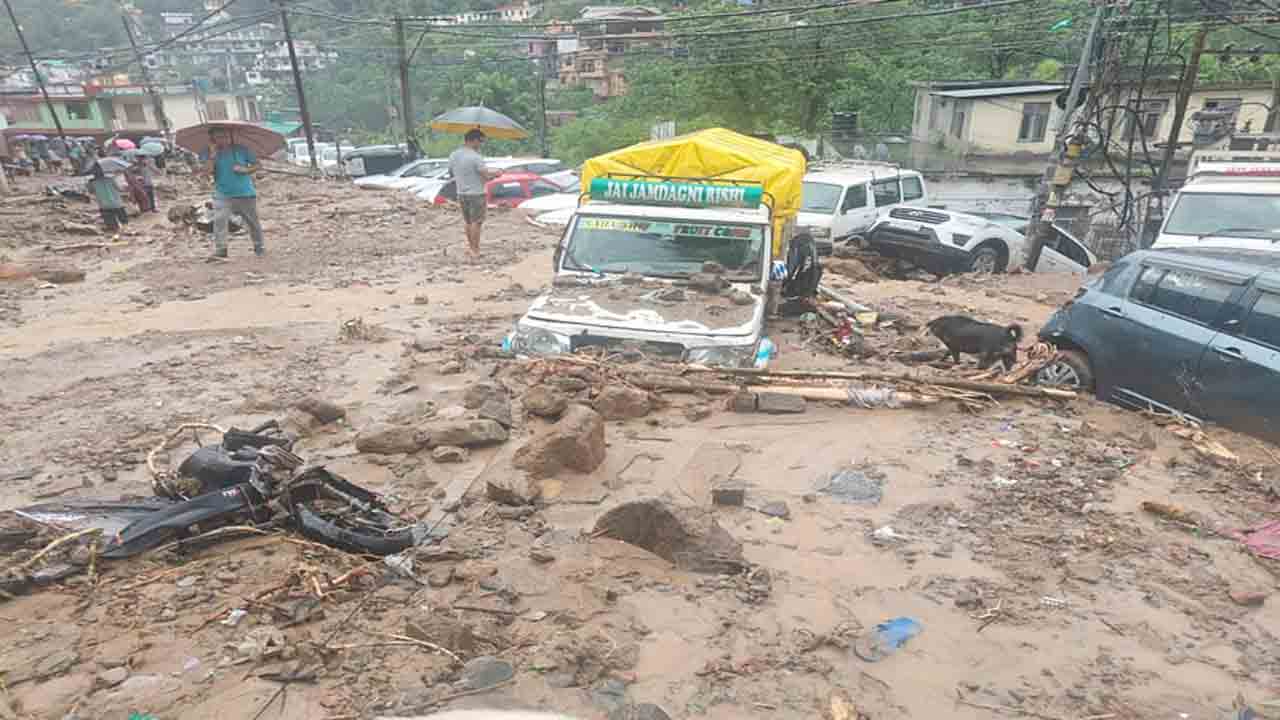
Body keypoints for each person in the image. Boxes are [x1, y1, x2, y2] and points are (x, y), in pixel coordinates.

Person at [206, 127, 264, 258]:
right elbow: (207, 172)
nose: (223, 139)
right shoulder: (208, 152)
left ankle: (258, 245)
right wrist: (212, 156)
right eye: (219, 137)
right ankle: (221, 249)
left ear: (231, 136)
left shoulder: (241, 150)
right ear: (212, 138)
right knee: (219, 220)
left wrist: (245, 170)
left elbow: (258, 165)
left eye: (226, 136)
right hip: (222, 193)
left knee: (252, 222)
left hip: (245, 192)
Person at [447, 129, 500, 259]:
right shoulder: (476, 157)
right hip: (476, 193)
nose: (480, 144)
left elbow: (451, 173)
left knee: (468, 222)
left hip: (461, 193)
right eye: (480, 141)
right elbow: (485, 175)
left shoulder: (453, 155)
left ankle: (471, 248)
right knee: (477, 222)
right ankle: (475, 250)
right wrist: (497, 174)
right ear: (474, 140)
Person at [87, 162, 127, 231]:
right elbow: (119, 189)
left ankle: (117, 233)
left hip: (104, 206)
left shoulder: (92, 183)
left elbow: (91, 192)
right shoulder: (110, 179)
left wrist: (89, 184)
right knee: (125, 223)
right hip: (117, 203)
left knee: (112, 227)